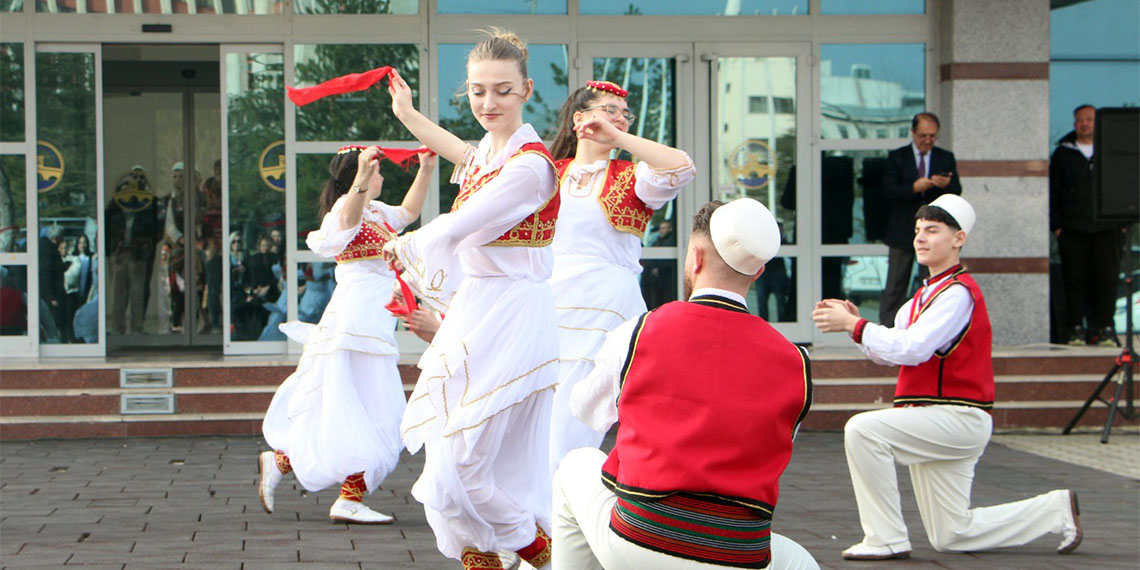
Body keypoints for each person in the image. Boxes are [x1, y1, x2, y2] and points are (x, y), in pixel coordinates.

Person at [812, 194, 1082, 561]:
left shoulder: (957, 294)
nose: (920, 238)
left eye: (932, 230)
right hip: (940, 419)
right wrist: (854, 327)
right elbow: (892, 352)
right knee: (951, 534)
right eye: (918, 230)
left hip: (956, 417)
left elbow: (913, 349)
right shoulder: (925, 295)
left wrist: (857, 326)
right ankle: (1054, 511)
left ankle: (885, 537)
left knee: (863, 430)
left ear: (959, 239)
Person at [553, 199, 818, 570]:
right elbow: (776, 444)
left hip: (640, 538)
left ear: (694, 258)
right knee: (799, 562)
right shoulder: (796, 361)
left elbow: (585, 411)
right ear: (758, 272)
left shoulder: (640, 329)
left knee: (576, 462)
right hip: (739, 553)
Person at [384, 28, 559, 570]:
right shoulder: (489, 154)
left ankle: (539, 552)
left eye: (502, 91)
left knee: (466, 457)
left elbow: (464, 222)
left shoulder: (531, 167)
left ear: (527, 89)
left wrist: (407, 245)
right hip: (476, 312)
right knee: (445, 459)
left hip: (512, 314)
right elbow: (462, 152)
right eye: (478, 91)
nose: (488, 103)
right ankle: (482, 554)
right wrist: (409, 117)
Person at [258, 145, 433, 524]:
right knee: (367, 410)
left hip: (372, 325)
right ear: (364, 175)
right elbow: (347, 219)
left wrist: (425, 168)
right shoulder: (347, 209)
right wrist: (360, 179)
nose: (383, 176)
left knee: (365, 410)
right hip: (352, 324)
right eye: (377, 171)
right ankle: (342, 494)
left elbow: (409, 212)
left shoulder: (376, 212)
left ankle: (289, 465)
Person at [545, 79, 695, 473]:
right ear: (580, 119)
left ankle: (565, 499)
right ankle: (549, 506)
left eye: (624, 114)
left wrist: (618, 138)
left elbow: (682, 166)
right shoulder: (548, 173)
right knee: (542, 403)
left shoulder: (633, 176)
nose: (619, 118)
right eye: (608, 109)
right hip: (549, 301)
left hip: (606, 306)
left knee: (577, 412)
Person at [1050, 104, 1124, 346]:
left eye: (1089, 120)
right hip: (1072, 229)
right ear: (1075, 125)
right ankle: (1075, 329)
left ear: (1097, 123)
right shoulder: (1063, 154)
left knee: (1106, 280)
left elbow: (1124, 185)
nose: (1085, 124)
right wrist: (1057, 226)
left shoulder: (1111, 151)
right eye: (1080, 120)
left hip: (1107, 228)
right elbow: (1054, 192)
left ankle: (1103, 328)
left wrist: (1122, 221)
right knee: (1074, 279)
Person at [879, 112, 961, 326]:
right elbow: (887, 189)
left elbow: (956, 190)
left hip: (934, 232)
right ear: (913, 133)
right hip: (902, 229)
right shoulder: (898, 156)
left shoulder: (945, 157)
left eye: (932, 136)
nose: (927, 140)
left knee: (932, 283)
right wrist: (913, 188)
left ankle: (928, 328)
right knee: (896, 284)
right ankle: (888, 330)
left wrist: (944, 185)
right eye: (923, 135)